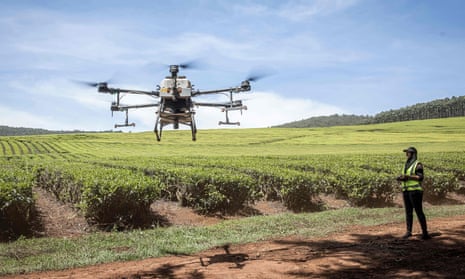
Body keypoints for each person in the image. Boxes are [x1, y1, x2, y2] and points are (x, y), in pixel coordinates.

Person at [397, 147, 431, 240]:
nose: (406, 154)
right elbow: (406, 176)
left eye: (408, 153)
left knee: (419, 211)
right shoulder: (406, 164)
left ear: (413, 154)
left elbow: (420, 177)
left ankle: (425, 233)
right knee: (408, 212)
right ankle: (408, 232)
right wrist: (401, 178)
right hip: (406, 191)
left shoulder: (418, 164)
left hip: (415, 191)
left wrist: (408, 177)